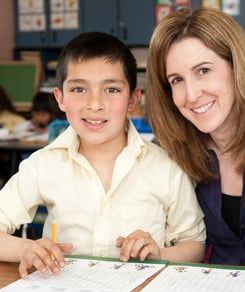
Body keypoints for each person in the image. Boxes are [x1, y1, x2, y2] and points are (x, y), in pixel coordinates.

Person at [0, 32, 206, 278]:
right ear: (60, 99)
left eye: (111, 89)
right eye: (78, 89)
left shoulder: (165, 167)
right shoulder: (44, 164)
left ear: (133, 99)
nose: (95, 104)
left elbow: (194, 245)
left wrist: (159, 254)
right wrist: (27, 248)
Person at [146, 7, 245, 266]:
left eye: (203, 70)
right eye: (176, 80)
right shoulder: (173, 151)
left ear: (237, 66)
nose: (192, 94)